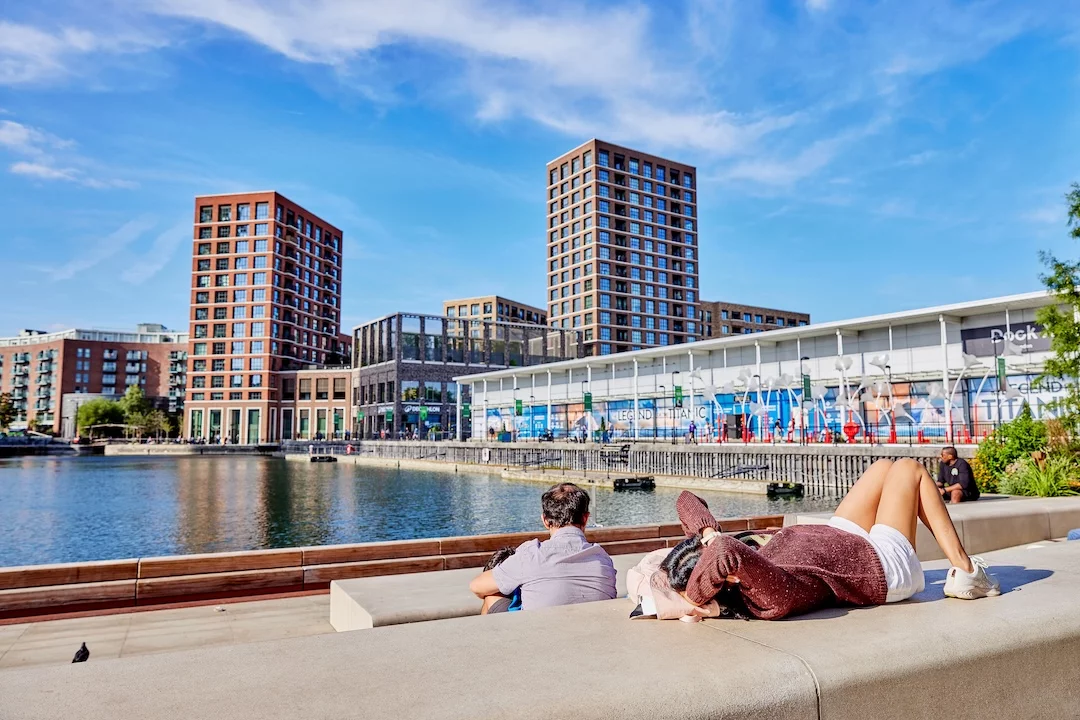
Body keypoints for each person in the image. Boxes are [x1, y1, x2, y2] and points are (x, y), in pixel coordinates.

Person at [663, 458, 1000, 620]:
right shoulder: (767, 595)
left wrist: (706, 533)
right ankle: (967, 571)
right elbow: (724, 551)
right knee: (909, 470)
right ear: (726, 578)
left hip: (839, 539)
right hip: (876, 567)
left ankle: (966, 568)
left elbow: (685, 500)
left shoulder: (738, 566)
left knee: (882, 468)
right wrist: (694, 597)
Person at [470, 483, 617, 613]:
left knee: (492, 595)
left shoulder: (532, 554)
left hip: (538, 636)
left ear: (545, 521)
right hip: (590, 635)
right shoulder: (603, 559)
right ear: (585, 518)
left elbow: (477, 586)